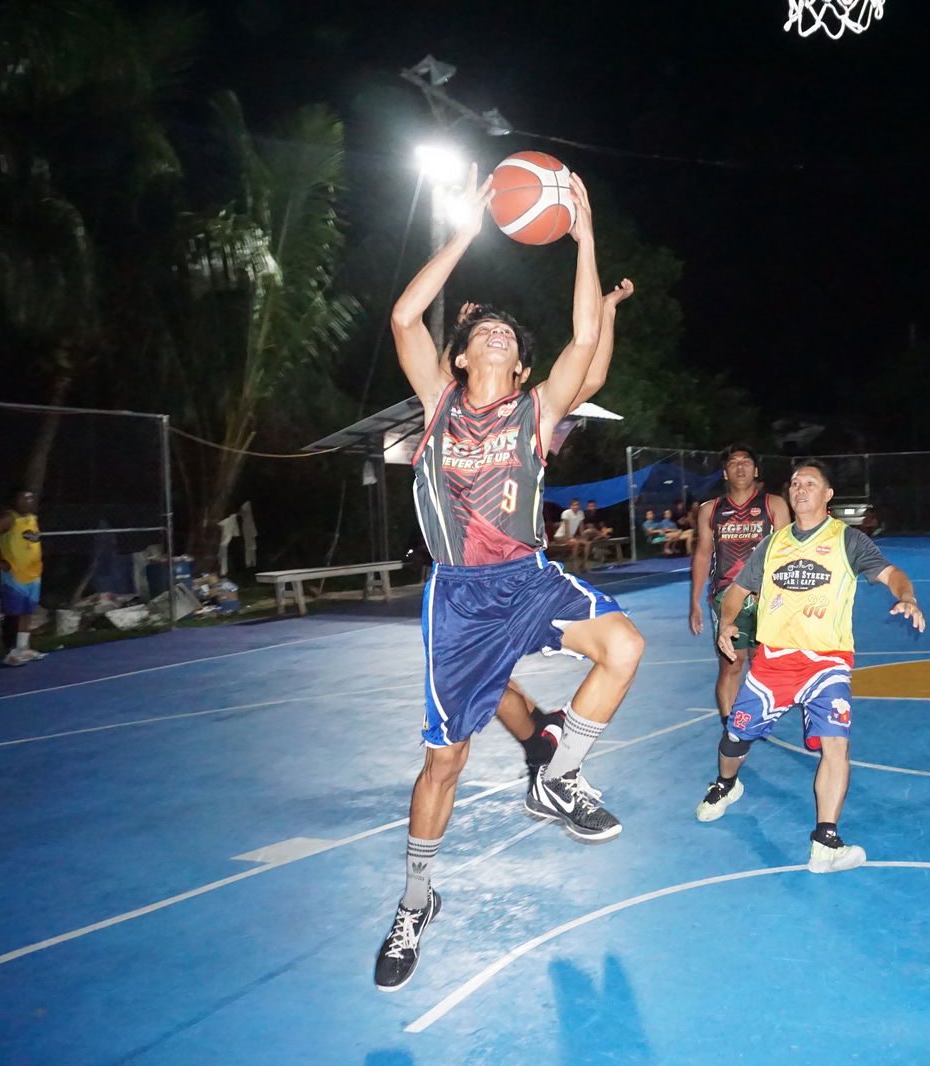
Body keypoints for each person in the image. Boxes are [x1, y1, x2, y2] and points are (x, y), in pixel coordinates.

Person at [372, 163, 644, 993]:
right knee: (444, 766)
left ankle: (556, 778)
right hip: (457, 602)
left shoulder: (537, 413)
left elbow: (585, 349)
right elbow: (403, 313)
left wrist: (585, 235)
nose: (496, 336)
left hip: (528, 579)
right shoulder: (435, 405)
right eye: (482, 332)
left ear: (523, 372)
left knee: (624, 645)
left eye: (508, 338)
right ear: (457, 359)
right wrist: (471, 228)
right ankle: (417, 899)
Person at [695, 459, 924, 873]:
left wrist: (906, 595)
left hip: (827, 662)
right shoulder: (773, 543)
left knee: (837, 744)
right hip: (774, 662)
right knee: (735, 738)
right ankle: (726, 784)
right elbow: (738, 589)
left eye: (810, 483)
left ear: (827, 495)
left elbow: (892, 575)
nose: (800, 488)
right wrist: (727, 621)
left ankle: (826, 841)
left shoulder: (847, 540)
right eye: (795, 483)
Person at [689, 445, 790, 725]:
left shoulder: (774, 505)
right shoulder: (711, 510)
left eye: (747, 462)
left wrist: (781, 592)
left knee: (763, 663)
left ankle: (757, 715)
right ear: (725, 473)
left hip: (766, 597)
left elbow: (786, 553)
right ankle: (730, 729)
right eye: (734, 463)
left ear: (756, 470)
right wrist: (694, 601)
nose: (741, 467)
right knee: (732, 664)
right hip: (725, 597)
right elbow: (702, 554)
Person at [0, 488, 45, 666]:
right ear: (15, 501)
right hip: (14, 574)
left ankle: (23, 647)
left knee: (27, 611)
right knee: (13, 613)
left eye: (31, 498)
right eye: (24, 499)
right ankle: (10, 652)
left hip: (33, 573)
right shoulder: (9, 518)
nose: (28, 502)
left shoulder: (32, 518)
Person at [576, 500, 613, 567]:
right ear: (587, 507)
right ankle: (588, 557)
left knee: (607, 531)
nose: (592, 508)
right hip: (586, 534)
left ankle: (601, 556)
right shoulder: (585, 515)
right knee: (590, 532)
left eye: (593, 506)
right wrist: (602, 534)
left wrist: (604, 531)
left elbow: (602, 526)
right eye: (590, 506)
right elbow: (591, 529)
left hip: (597, 535)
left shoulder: (599, 513)